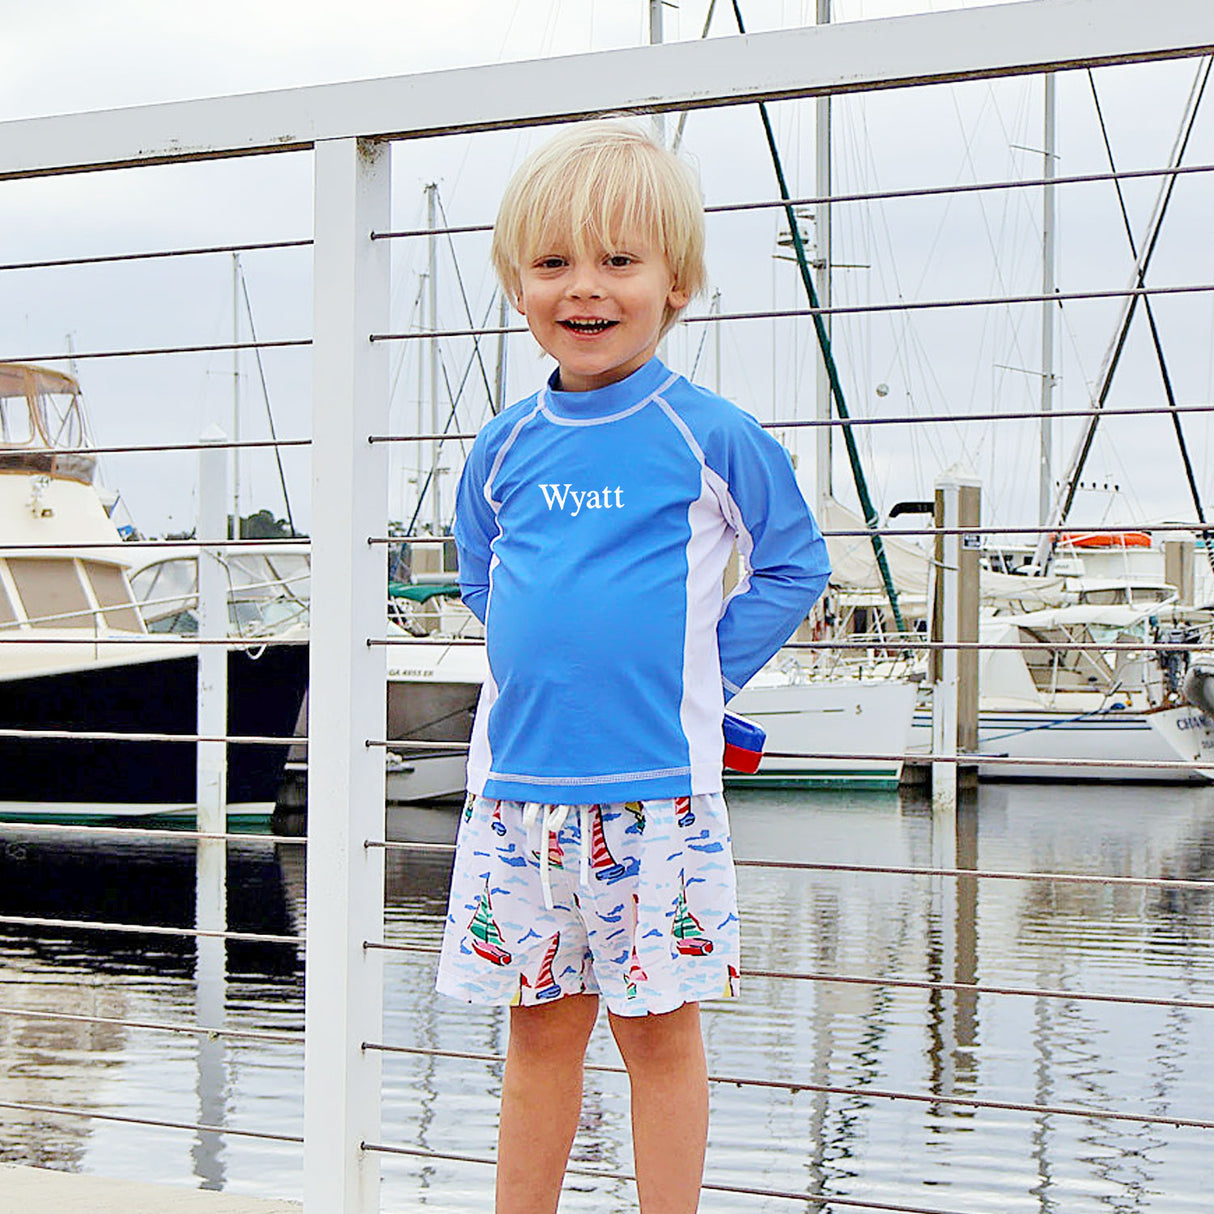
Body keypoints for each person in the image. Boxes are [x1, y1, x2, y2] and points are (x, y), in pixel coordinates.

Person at [436, 119, 831, 1214]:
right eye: (554, 261)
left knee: (658, 1034)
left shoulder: (707, 431)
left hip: (655, 797)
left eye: (618, 260)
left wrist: (700, 669)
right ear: (518, 283)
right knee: (536, 1031)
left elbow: (794, 564)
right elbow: (482, 576)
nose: (585, 288)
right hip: (514, 797)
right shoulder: (503, 444)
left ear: (676, 281)